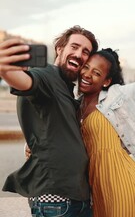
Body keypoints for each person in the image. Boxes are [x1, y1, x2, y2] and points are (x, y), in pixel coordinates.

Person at [0, 26, 98, 217]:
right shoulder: (45, 74)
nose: (79, 54)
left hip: (76, 199)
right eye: (74, 47)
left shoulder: (66, 87)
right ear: (59, 49)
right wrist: (5, 70)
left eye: (85, 52)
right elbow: (26, 82)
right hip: (55, 200)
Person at [78, 48, 135, 217]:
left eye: (96, 72)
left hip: (123, 181)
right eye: (86, 67)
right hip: (97, 188)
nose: (87, 74)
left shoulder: (116, 95)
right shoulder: (75, 105)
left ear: (106, 81)